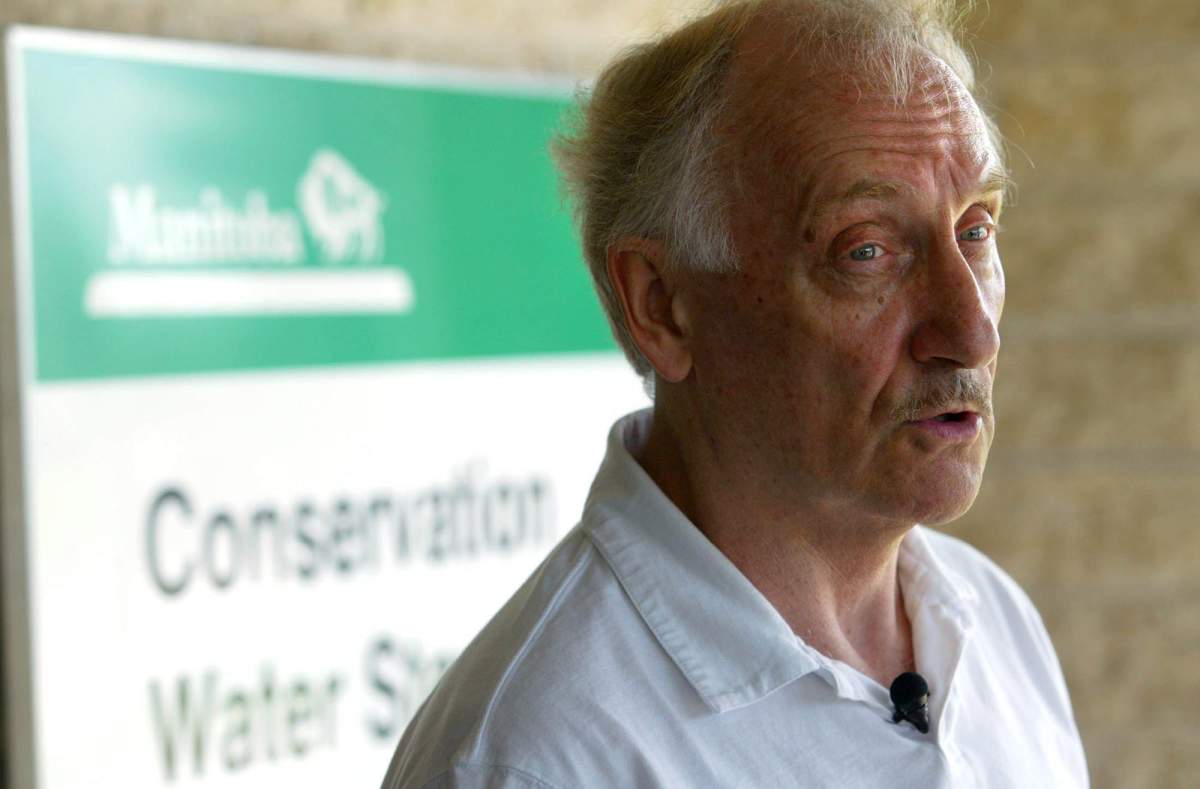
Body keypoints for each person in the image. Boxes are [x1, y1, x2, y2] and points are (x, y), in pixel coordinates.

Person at [382, 0, 1089, 785]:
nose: (972, 334)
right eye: (867, 250)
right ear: (662, 305)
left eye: (976, 230)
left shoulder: (994, 623)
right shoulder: (538, 756)